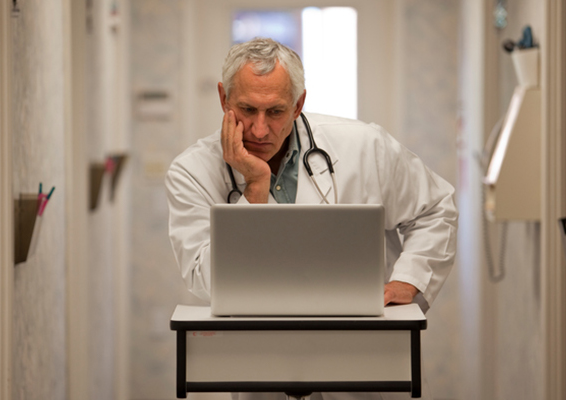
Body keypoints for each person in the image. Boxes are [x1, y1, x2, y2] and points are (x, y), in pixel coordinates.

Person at [165, 38, 457, 399]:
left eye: (275, 112)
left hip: (363, 360)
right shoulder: (192, 172)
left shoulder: (364, 146)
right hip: (259, 363)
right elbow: (205, 278)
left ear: (299, 104)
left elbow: (436, 208)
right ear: (223, 98)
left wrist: (408, 280)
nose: (259, 130)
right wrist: (255, 187)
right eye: (246, 109)